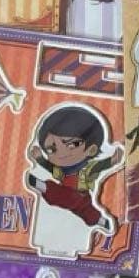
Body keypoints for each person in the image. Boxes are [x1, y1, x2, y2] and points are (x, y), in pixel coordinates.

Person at [25, 104, 121, 258]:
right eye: (51, 149)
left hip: (81, 197)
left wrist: (114, 160)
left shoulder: (88, 169)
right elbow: (50, 167)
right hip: (68, 196)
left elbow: (102, 166)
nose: (61, 152)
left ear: (91, 149)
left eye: (71, 144)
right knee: (66, 199)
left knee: (86, 212)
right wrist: (40, 158)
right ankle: (42, 186)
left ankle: (103, 222)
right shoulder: (61, 171)